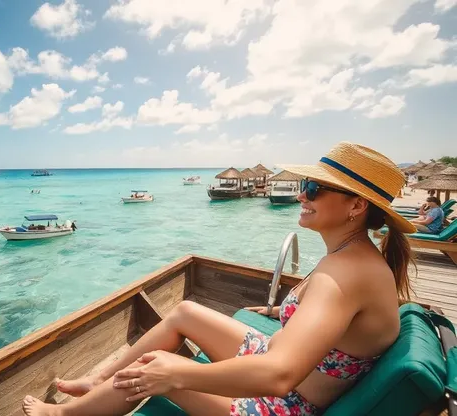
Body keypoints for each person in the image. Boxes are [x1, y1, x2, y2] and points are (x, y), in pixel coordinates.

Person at [22, 142, 416, 416]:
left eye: (312, 188)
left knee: (156, 366)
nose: (300, 196)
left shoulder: (345, 276)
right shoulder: (355, 258)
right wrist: (283, 310)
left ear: (357, 205)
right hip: (287, 369)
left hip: (284, 404)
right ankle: (98, 384)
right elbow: (339, 324)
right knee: (186, 312)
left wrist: (176, 372)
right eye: (302, 187)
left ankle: (66, 415)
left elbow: (279, 376)